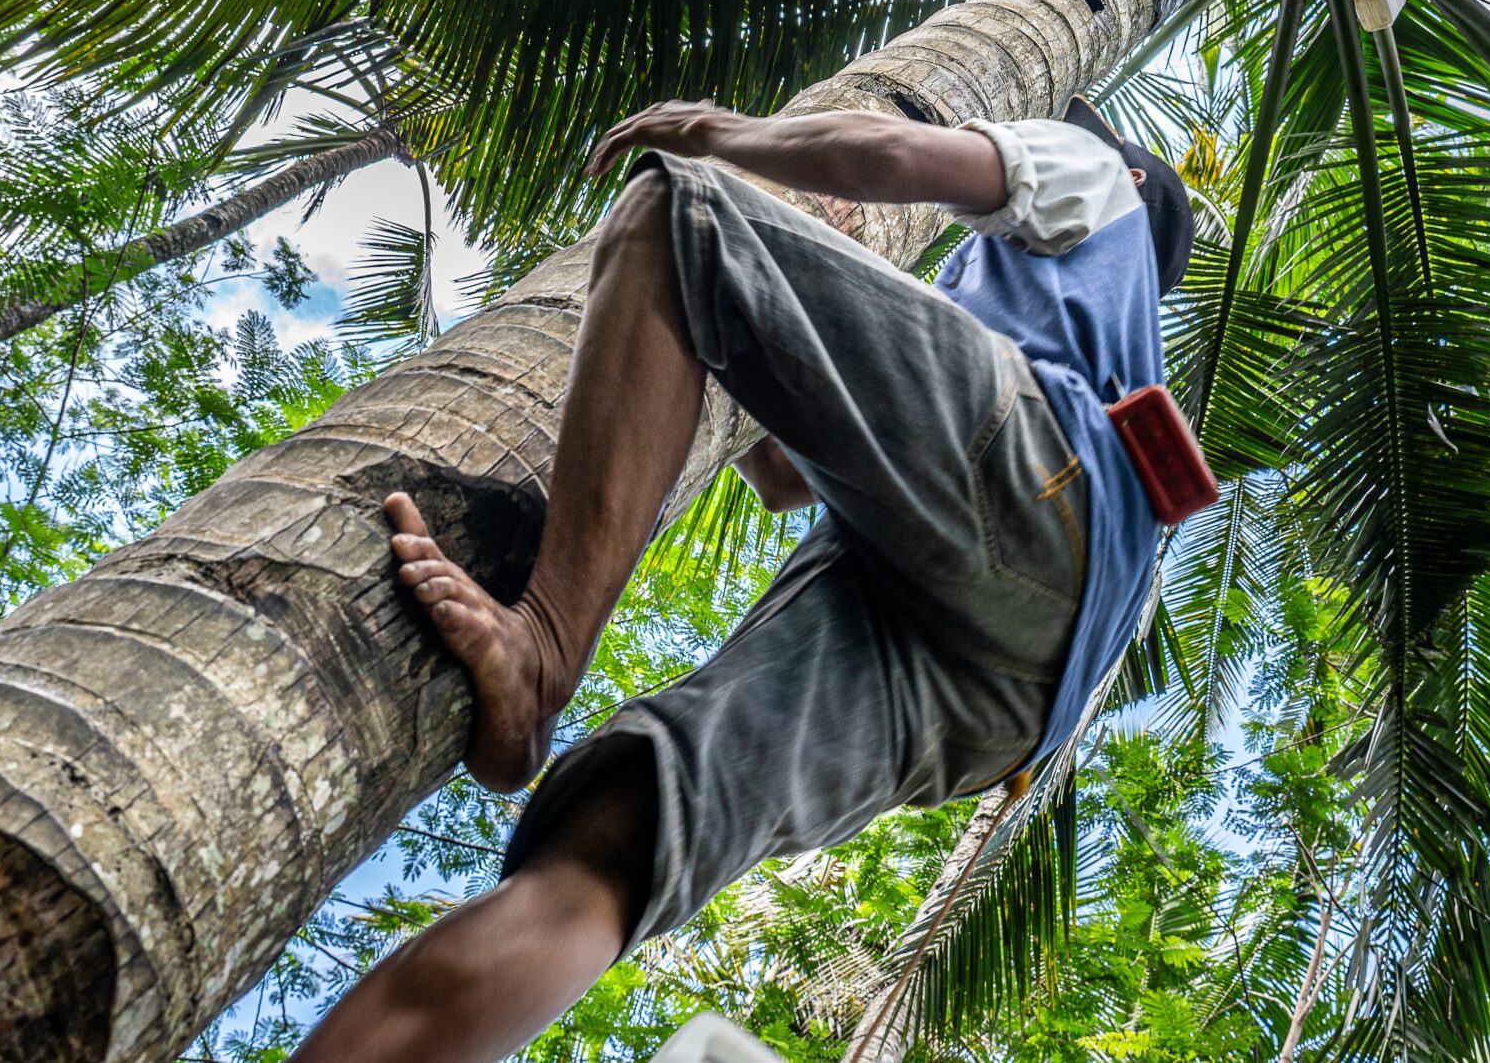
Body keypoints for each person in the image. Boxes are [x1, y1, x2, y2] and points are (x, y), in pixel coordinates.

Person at [288, 94, 1194, 1063]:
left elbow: (887, 154)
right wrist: (771, 325)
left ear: (1130, 176)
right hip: (1010, 699)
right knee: (611, 849)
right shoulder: (1083, 330)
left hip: (1040, 498)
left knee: (677, 215)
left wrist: (720, 135)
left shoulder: (1097, 181)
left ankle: (544, 647)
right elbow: (784, 476)